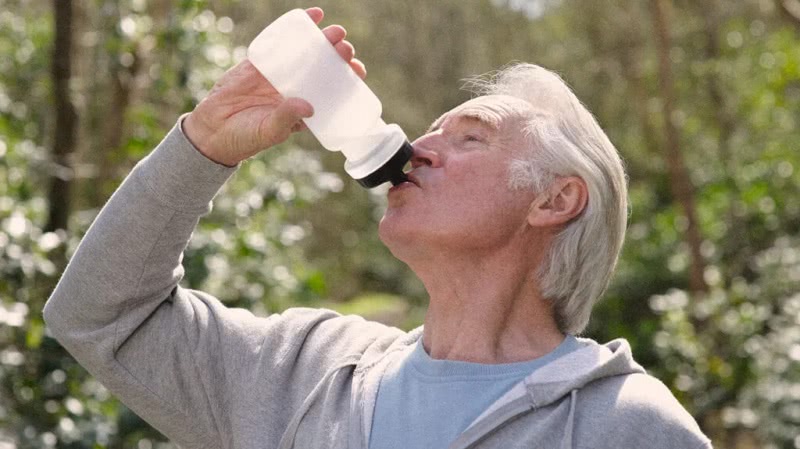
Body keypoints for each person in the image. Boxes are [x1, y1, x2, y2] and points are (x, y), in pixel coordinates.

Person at [44, 7, 712, 449]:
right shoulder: (303, 369)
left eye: (471, 136)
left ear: (555, 199)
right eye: (432, 127)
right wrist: (203, 145)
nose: (421, 145)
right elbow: (100, 315)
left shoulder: (627, 425)